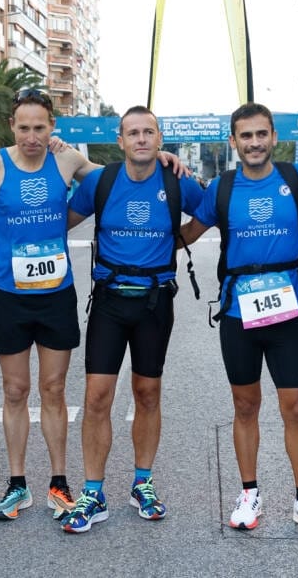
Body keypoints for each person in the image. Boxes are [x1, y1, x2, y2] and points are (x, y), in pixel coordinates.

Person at [177, 103, 298, 535]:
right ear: (233, 141)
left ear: (273, 136)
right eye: (245, 136)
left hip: (284, 313)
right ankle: (249, 494)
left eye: (261, 134)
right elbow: (188, 233)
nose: (254, 143)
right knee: (245, 406)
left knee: (295, 408)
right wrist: (138, 234)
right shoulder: (223, 188)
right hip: (236, 312)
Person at [0, 89, 100, 522]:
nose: (32, 136)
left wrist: (164, 162)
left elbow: (118, 179)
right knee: (15, 390)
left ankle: (59, 482)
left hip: (56, 294)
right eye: (24, 127)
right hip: (10, 295)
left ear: (52, 127)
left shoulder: (67, 161)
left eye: (40, 127)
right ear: (12, 127)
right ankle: (17, 484)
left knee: (53, 389)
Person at [60, 105, 204, 534]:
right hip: (108, 299)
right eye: (133, 133)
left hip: (155, 302)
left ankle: (142, 482)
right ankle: (92, 491)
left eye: (149, 132)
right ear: (120, 141)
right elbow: (61, 222)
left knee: (147, 393)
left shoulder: (177, 180)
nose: (141, 139)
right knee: (97, 397)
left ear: (159, 140)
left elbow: (210, 213)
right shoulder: (102, 182)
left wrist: (173, 245)